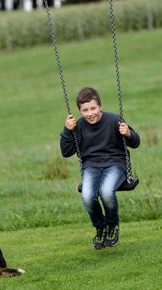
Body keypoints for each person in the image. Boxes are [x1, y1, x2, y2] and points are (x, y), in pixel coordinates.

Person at [60, 87, 140, 250]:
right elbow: (66, 152)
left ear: (100, 106)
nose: (90, 113)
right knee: (88, 196)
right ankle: (100, 227)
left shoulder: (113, 120)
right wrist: (67, 130)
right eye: (85, 110)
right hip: (91, 166)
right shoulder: (78, 126)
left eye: (93, 108)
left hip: (115, 164)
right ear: (80, 110)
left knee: (106, 191)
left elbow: (135, 142)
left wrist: (128, 134)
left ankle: (113, 226)